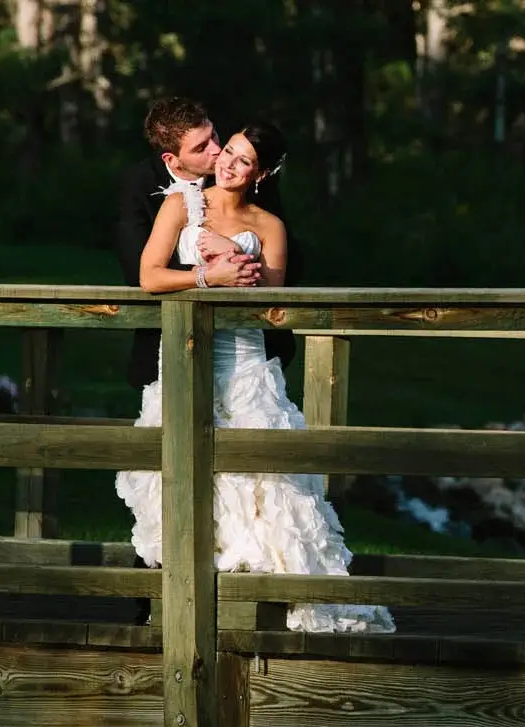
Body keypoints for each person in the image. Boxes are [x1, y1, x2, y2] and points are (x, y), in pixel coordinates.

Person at [115, 121, 395, 635]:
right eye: (229, 151)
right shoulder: (181, 204)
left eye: (242, 160)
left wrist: (241, 272)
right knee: (182, 470)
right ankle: (184, 600)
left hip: (242, 361)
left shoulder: (269, 226)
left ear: (261, 173)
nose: (227, 162)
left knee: (263, 478)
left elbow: (272, 305)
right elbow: (150, 275)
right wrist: (207, 275)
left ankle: (263, 595)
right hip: (184, 352)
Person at [114, 96, 295, 390]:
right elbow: (141, 273)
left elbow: (282, 269)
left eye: (215, 137)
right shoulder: (144, 189)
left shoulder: (257, 193)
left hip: (248, 353)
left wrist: (233, 250)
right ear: (172, 160)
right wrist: (211, 275)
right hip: (176, 337)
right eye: (201, 148)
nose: (217, 154)